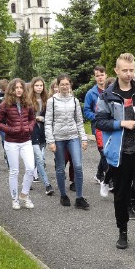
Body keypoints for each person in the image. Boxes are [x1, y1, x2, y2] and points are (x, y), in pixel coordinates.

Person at [96, 53, 135, 250]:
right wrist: (121, 123)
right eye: (125, 70)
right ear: (116, 71)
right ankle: (122, 232)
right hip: (120, 154)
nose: (129, 74)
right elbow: (100, 122)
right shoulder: (107, 95)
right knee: (121, 195)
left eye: (132, 70)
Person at [45, 74, 90, 210]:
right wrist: (50, 141)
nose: (65, 86)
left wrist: (84, 138)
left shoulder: (75, 101)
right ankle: (63, 195)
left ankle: (79, 198)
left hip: (73, 137)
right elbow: (48, 122)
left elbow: (79, 121)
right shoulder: (52, 101)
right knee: (60, 167)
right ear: (57, 86)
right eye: (62, 84)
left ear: (70, 85)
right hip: (58, 138)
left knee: (77, 166)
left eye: (67, 84)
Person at [0, 78, 36, 210]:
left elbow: (32, 119)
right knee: (14, 171)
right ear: (11, 89)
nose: (18, 90)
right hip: (11, 142)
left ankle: (24, 194)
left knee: (30, 168)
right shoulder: (5, 104)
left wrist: (29, 127)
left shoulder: (27, 103)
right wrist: (10, 129)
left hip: (26, 141)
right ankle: (15, 199)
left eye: (21, 87)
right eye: (16, 87)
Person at [27, 77, 54, 196]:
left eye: (41, 86)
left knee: (35, 161)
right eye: (37, 85)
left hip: (43, 132)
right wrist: (34, 119)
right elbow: (25, 117)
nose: (39, 88)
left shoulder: (47, 101)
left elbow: (50, 117)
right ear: (33, 87)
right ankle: (47, 185)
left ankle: (27, 181)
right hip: (32, 132)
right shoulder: (28, 101)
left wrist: (42, 119)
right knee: (39, 159)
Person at [84, 65, 108, 185]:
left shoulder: (111, 90)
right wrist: (96, 117)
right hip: (98, 126)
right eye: (97, 75)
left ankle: (99, 174)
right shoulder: (91, 93)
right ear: (95, 77)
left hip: (110, 125)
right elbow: (86, 111)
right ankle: (111, 179)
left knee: (107, 151)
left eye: (102, 75)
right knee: (103, 151)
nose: (100, 77)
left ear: (106, 75)